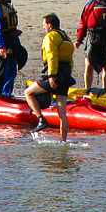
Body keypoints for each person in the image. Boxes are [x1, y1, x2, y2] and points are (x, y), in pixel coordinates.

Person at [25, 13, 75, 141]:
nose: (43, 27)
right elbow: (70, 61)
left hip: (54, 74)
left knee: (28, 92)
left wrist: (51, 76)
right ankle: (63, 141)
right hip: (66, 75)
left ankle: (41, 119)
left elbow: (52, 56)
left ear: (50, 25)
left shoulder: (51, 36)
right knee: (61, 111)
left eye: (44, 25)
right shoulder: (66, 38)